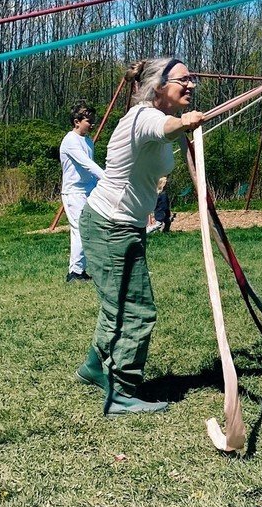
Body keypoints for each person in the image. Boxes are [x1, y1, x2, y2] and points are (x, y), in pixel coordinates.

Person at [76, 58, 204, 415]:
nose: (191, 84)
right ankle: (121, 392)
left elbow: (167, 133)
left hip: (123, 225)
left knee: (118, 302)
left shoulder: (152, 119)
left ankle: (93, 367)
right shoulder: (142, 117)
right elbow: (162, 126)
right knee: (136, 310)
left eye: (192, 78)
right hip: (110, 226)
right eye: (184, 79)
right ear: (159, 86)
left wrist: (182, 126)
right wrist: (182, 123)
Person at [60, 103, 105, 282]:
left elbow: (90, 170)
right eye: (89, 121)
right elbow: (87, 164)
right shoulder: (70, 141)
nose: (92, 124)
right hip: (74, 193)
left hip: (89, 191)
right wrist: (108, 178)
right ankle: (75, 272)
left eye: (93, 121)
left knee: (90, 230)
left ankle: (80, 269)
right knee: (79, 230)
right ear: (77, 122)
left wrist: (100, 186)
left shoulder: (87, 141)